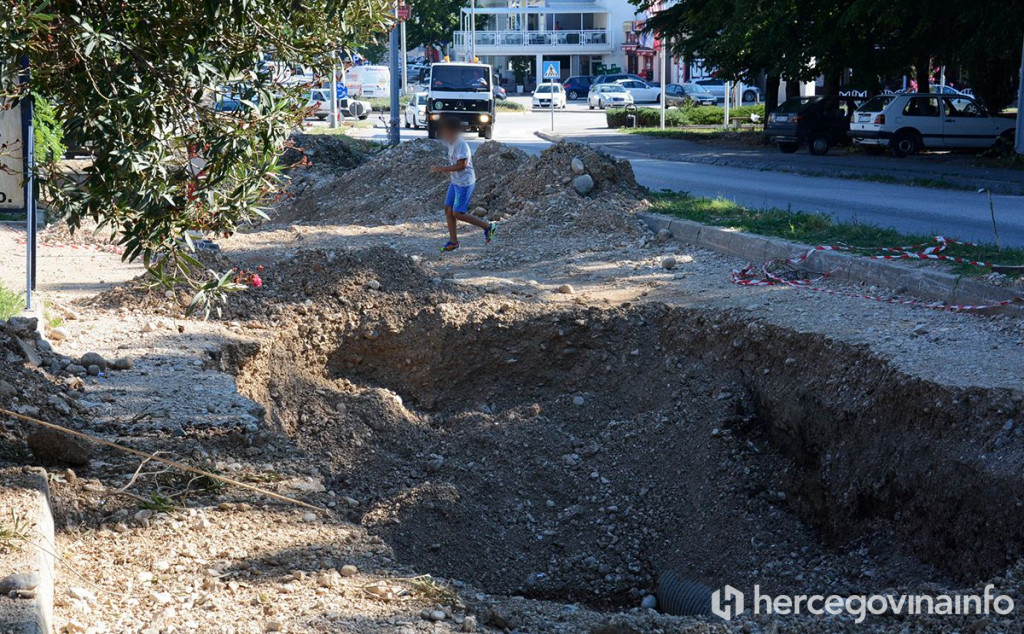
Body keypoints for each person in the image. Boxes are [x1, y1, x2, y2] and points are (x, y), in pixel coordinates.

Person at [431, 118, 497, 252]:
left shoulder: (460, 143)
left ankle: (488, 227)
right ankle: (453, 242)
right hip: (456, 182)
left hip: (464, 183)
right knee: (448, 210)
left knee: (458, 213)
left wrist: (441, 169)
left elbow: (462, 165)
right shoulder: (451, 143)